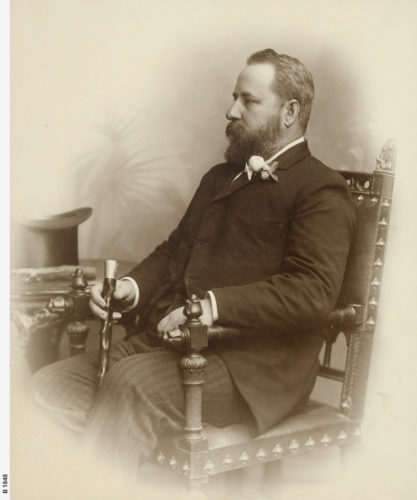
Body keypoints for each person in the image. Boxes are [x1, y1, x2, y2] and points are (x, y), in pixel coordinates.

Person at [31, 49, 356, 473]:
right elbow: (174, 248)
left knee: (130, 387)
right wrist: (132, 288)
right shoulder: (219, 178)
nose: (231, 110)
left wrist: (210, 306)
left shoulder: (320, 189)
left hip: (251, 368)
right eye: (234, 97)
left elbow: (312, 290)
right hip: (172, 345)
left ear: (290, 111)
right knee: (50, 385)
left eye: (248, 101)